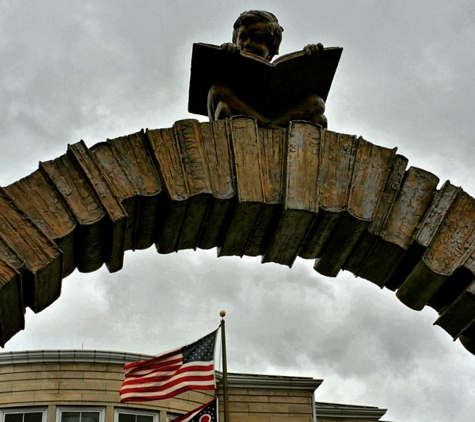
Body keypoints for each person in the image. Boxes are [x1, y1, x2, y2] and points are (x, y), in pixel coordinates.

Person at [207, 10, 328, 129]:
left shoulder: (279, 72)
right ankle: (270, 125)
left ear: (272, 49)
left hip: (281, 115)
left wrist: (309, 55)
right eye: (243, 37)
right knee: (217, 91)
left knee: (316, 103)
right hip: (240, 113)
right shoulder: (231, 56)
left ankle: (271, 124)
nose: (247, 43)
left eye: (256, 39)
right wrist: (226, 52)